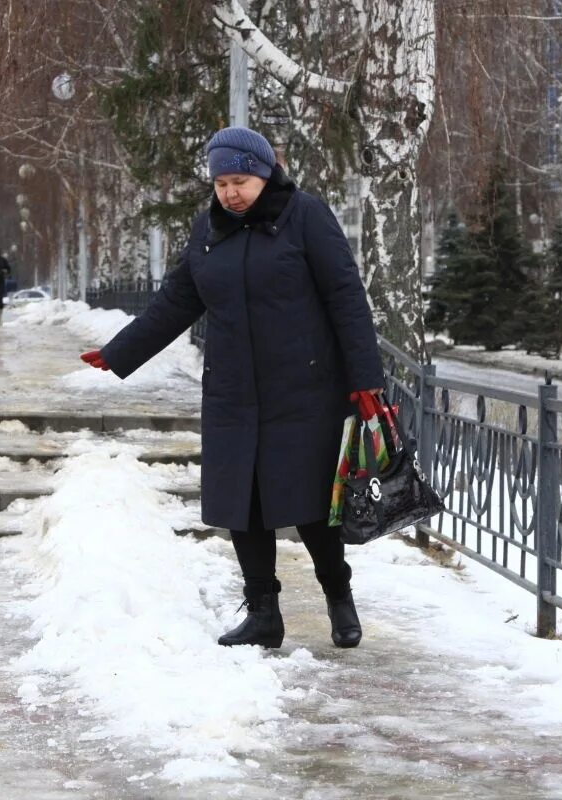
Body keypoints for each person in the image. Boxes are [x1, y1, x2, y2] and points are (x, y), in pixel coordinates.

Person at [79, 126, 384, 650]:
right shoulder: (207, 230)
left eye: (240, 180)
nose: (230, 193)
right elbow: (177, 300)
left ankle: (338, 593)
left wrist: (365, 382)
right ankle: (263, 612)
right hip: (234, 394)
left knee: (311, 507)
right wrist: (120, 352)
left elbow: (346, 298)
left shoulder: (305, 216)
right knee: (244, 505)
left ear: (265, 174)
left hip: (303, 391)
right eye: (221, 184)